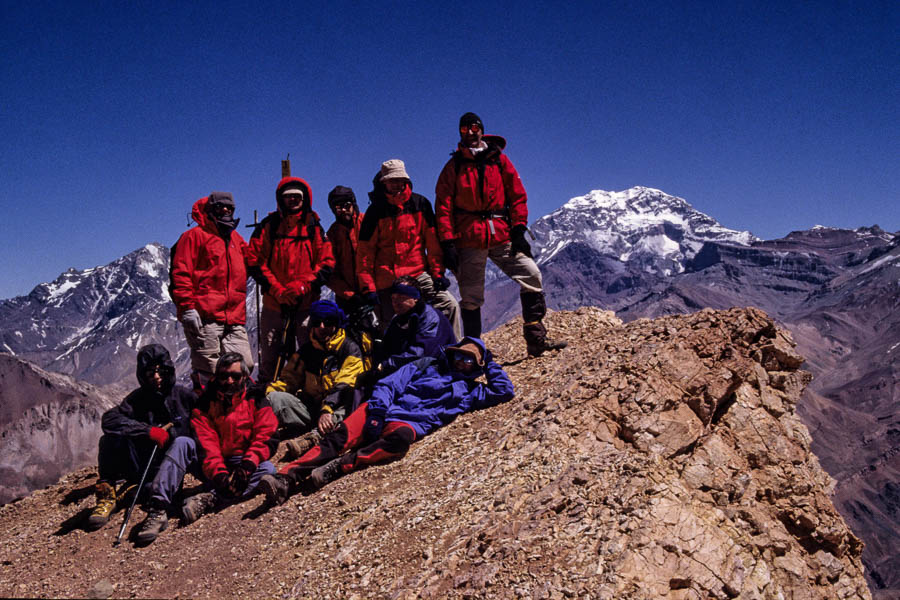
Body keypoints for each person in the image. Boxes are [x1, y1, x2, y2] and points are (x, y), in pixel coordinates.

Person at [259, 337, 514, 503]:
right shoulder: (425, 366)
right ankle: (285, 478)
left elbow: (504, 391)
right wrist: (378, 412)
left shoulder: (471, 392)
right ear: (452, 354)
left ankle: (341, 466)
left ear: (477, 366)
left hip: (406, 424)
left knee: (400, 440)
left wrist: (490, 362)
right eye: (460, 355)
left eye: (470, 360)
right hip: (381, 409)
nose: (462, 362)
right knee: (338, 438)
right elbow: (389, 384)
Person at [435, 112, 567, 357]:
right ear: (460, 133)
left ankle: (536, 339)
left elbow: (517, 194)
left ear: (482, 130)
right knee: (471, 297)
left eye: (474, 127)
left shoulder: (499, 161)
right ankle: (474, 352)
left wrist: (518, 229)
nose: (470, 132)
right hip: (470, 238)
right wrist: (448, 242)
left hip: (502, 235)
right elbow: (443, 206)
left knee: (532, 275)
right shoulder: (453, 167)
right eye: (464, 129)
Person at [86, 345, 194, 534]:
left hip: (171, 469)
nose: (156, 377)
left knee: (152, 490)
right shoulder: (137, 399)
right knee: (109, 440)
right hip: (140, 463)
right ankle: (107, 496)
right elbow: (110, 420)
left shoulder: (183, 396)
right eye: (150, 373)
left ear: (168, 370)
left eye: (160, 371)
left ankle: (137, 491)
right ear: (143, 376)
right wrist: (147, 431)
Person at [358, 159, 462, 338]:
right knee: (388, 328)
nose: (397, 184)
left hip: (418, 274)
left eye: (400, 179)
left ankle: (456, 353)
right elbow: (364, 255)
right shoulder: (374, 212)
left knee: (449, 304)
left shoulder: (420, 204)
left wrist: (437, 274)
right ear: (384, 182)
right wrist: (369, 289)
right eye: (392, 180)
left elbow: (433, 245)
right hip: (387, 280)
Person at [248, 177, 335, 384]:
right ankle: (266, 400)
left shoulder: (314, 226)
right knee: (269, 356)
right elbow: (253, 259)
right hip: (274, 304)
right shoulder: (269, 226)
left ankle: (307, 396)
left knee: (309, 353)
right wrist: (277, 289)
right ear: (281, 199)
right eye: (289, 197)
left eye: (297, 197)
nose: (293, 201)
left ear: (305, 199)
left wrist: (304, 285)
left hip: (306, 304)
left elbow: (327, 262)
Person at [180, 352, 278, 525]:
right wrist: (219, 474)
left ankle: (210, 497)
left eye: (235, 376)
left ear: (245, 376)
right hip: (215, 463)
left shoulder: (256, 397)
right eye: (224, 376)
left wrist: (247, 466)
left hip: (245, 458)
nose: (229, 381)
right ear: (217, 376)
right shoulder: (204, 403)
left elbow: (266, 435)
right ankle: (224, 488)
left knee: (268, 469)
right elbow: (206, 444)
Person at [170, 192, 254, 391]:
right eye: (220, 207)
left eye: (230, 208)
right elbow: (181, 273)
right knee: (210, 371)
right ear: (210, 209)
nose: (226, 210)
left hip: (233, 319)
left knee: (244, 366)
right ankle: (206, 414)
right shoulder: (194, 236)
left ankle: (234, 412)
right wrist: (187, 308)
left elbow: (253, 259)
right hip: (204, 317)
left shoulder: (236, 239)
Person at [265, 300, 370, 458]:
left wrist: (327, 409)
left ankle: (312, 439)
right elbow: (288, 382)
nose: (322, 327)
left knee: (344, 410)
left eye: (327, 322)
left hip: (338, 406)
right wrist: (264, 393)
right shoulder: (306, 351)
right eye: (317, 322)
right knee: (274, 398)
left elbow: (345, 385)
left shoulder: (349, 349)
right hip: (313, 408)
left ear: (336, 323)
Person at [363, 275, 456, 384]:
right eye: (393, 298)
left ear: (415, 298)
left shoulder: (430, 318)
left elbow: (421, 354)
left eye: (401, 297)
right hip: (406, 370)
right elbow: (387, 347)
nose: (396, 302)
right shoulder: (398, 319)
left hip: (434, 373)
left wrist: (385, 365)